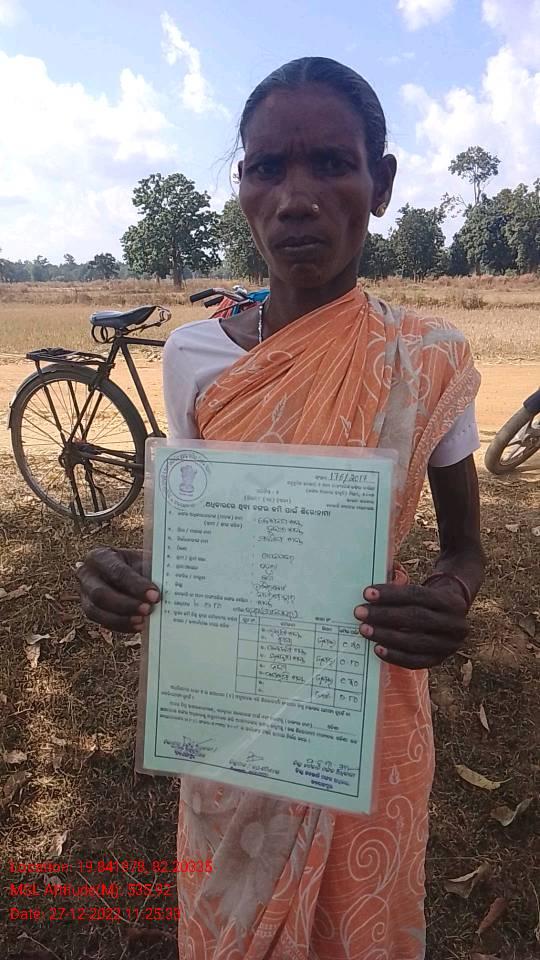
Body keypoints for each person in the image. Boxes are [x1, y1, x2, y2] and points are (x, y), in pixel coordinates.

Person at [78, 57, 485, 960]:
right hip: (229, 717)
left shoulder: (428, 355)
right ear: (244, 189)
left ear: (381, 184)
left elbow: (465, 547)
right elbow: (197, 543)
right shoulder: (193, 357)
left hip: (366, 707)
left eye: (331, 164)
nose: (296, 198)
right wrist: (129, 581)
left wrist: (448, 599)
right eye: (267, 168)